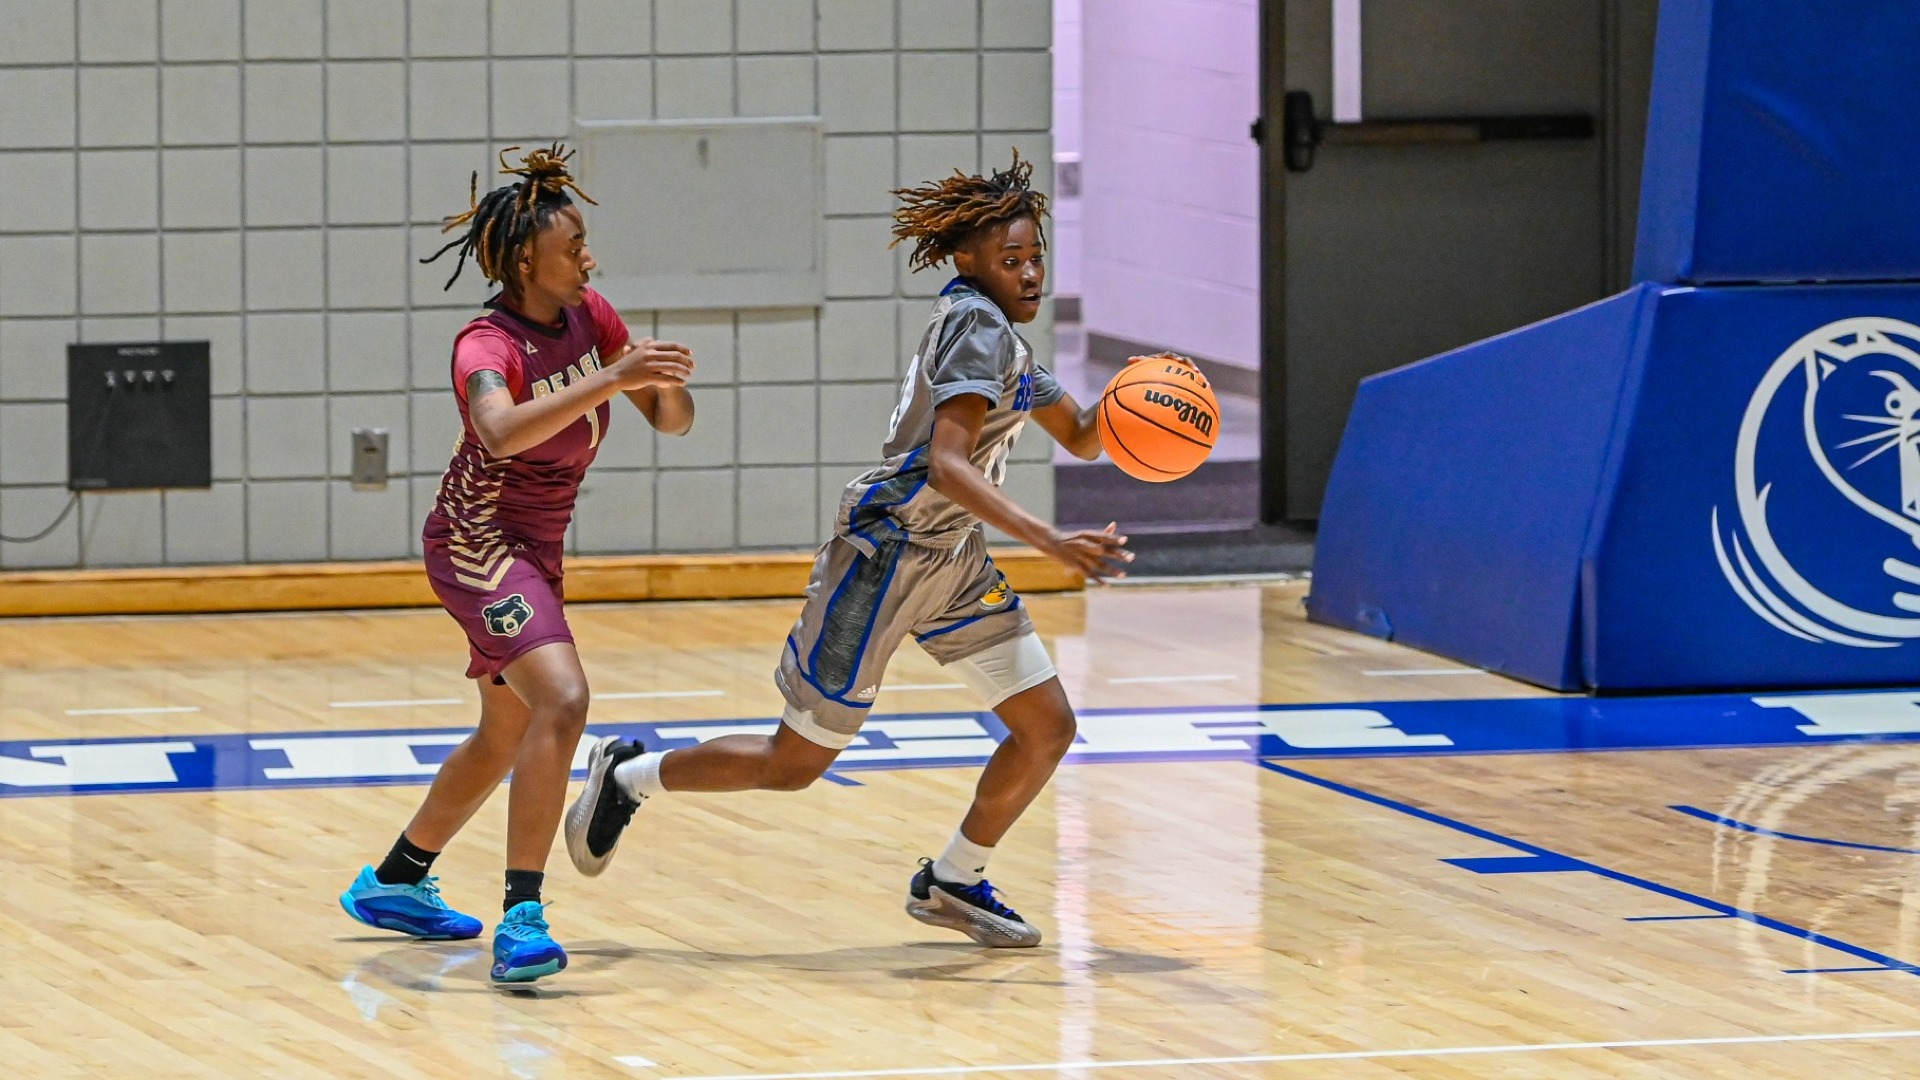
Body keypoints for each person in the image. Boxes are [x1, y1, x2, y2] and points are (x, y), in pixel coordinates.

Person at [563, 151, 1132, 948]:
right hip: (887, 553)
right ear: (967, 261)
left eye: (1037, 256)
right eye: (1012, 260)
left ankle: (954, 880)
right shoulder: (972, 325)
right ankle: (627, 776)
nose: (1031, 272)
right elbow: (948, 463)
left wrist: (1144, 395)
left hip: (952, 557)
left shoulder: (1004, 339)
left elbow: (1080, 437)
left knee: (1046, 726)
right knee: (793, 763)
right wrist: (1049, 543)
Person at [338, 144, 696, 984]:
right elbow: (498, 430)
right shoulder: (483, 343)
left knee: (507, 731)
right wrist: (612, 376)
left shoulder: (593, 316)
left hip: (535, 547)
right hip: (476, 544)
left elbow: (672, 423)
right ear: (524, 260)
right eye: (574, 248)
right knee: (564, 700)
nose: (589, 259)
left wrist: (660, 378)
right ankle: (523, 917)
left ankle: (395, 880)